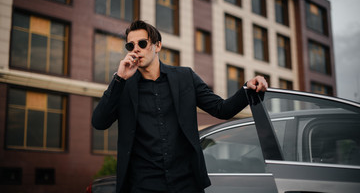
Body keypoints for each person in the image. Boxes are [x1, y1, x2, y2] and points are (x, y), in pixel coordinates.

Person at [92, 20, 268, 193]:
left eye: (142, 43)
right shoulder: (123, 86)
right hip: (143, 184)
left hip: (187, 183)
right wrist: (119, 78)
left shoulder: (185, 77)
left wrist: (248, 88)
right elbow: (99, 122)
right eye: (130, 46)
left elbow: (221, 109)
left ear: (157, 46)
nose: (136, 49)